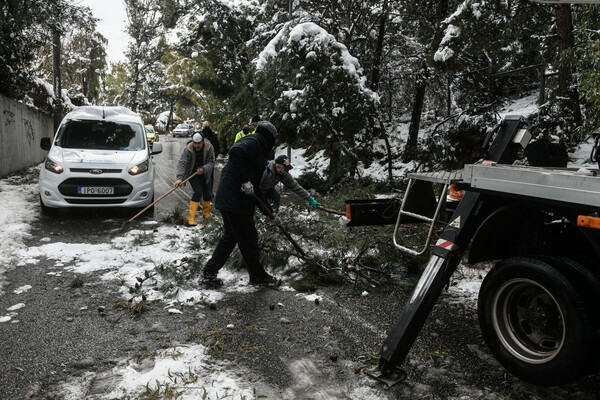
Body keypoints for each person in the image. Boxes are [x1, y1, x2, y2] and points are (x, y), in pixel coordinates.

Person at [200, 121, 281, 288]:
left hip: (232, 200)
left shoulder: (259, 149)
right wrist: (244, 181)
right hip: (234, 201)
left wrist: (270, 213)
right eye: (274, 138)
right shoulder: (254, 142)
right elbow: (235, 151)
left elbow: (256, 190)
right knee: (249, 239)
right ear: (268, 137)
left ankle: (208, 273)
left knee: (230, 238)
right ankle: (257, 276)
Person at [174, 132, 215, 225]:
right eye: (194, 143)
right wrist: (180, 178)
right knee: (198, 192)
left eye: (199, 143)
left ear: (203, 141)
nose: (196, 145)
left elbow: (212, 162)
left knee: (208, 194)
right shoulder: (188, 149)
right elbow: (182, 163)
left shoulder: (209, 147)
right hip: (193, 174)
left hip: (206, 173)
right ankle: (191, 218)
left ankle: (206, 214)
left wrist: (203, 169)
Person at [201, 121, 220, 199]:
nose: (206, 128)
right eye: (204, 126)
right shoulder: (200, 135)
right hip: (201, 160)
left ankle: (209, 191)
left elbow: (217, 147)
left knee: (210, 176)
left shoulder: (213, 136)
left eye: (207, 126)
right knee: (201, 175)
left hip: (210, 160)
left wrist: (214, 157)